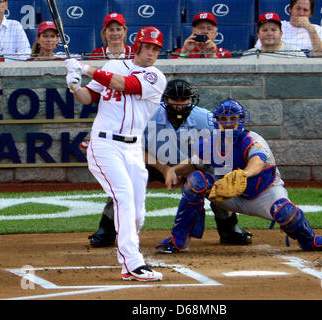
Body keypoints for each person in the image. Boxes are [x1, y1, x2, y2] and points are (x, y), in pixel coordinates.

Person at [88, 79, 252, 251]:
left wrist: (190, 170)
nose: (179, 105)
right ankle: (106, 230)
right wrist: (165, 169)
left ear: (191, 99)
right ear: (164, 99)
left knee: (219, 181)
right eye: (174, 99)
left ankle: (229, 228)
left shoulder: (205, 118)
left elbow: (215, 148)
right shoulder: (148, 114)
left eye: (183, 100)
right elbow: (133, 146)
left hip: (193, 165)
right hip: (152, 163)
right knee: (125, 182)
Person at [156, 99, 322, 253]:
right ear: (217, 121)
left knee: (287, 213)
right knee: (196, 181)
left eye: (233, 118)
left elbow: (257, 162)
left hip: (264, 194)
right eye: (223, 119)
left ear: (241, 120)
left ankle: (309, 240)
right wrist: (173, 170)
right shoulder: (212, 141)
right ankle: (179, 240)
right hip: (231, 195)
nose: (228, 123)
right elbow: (195, 162)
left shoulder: (253, 139)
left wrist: (243, 174)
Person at [64, 26, 167, 282]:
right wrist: (74, 85)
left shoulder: (156, 77)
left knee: (137, 213)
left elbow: (125, 84)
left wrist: (84, 68)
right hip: (104, 145)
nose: (151, 53)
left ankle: (129, 259)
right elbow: (88, 97)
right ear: (137, 46)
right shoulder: (113, 65)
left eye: (156, 49)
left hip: (133, 148)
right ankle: (132, 263)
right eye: (148, 47)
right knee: (123, 196)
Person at [255, 0, 322, 57]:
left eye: (305, 10)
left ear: (310, 14)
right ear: (290, 9)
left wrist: (310, 29)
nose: (301, 13)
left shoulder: (318, 29)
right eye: (298, 8)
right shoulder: (277, 26)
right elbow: (258, 51)